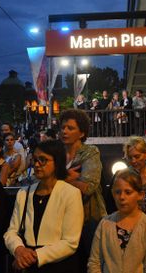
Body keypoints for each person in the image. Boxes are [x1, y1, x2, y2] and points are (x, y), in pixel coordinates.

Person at [4, 140, 84, 272]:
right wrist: (18, 249)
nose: (37, 164)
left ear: (57, 162)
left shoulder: (71, 194)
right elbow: (11, 231)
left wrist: (35, 256)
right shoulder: (24, 193)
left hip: (59, 266)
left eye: (43, 160)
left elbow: (70, 242)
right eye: (35, 159)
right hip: (27, 264)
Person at [88, 169, 146, 273]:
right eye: (117, 192)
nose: (122, 197)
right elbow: (94, 262)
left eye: (128, 192)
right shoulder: (105, 224)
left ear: (140, 195)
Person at [59, 109, 107, 271]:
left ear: (81, 133)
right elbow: (40, 180)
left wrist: (59, 177)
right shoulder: (56, 154)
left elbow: (88, 187)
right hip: (62, 219)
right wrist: (69, 177)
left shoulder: (90, 152)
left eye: (70, 128)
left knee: (90, 263)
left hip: (89, 219)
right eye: (63, 127)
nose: (64, 131)